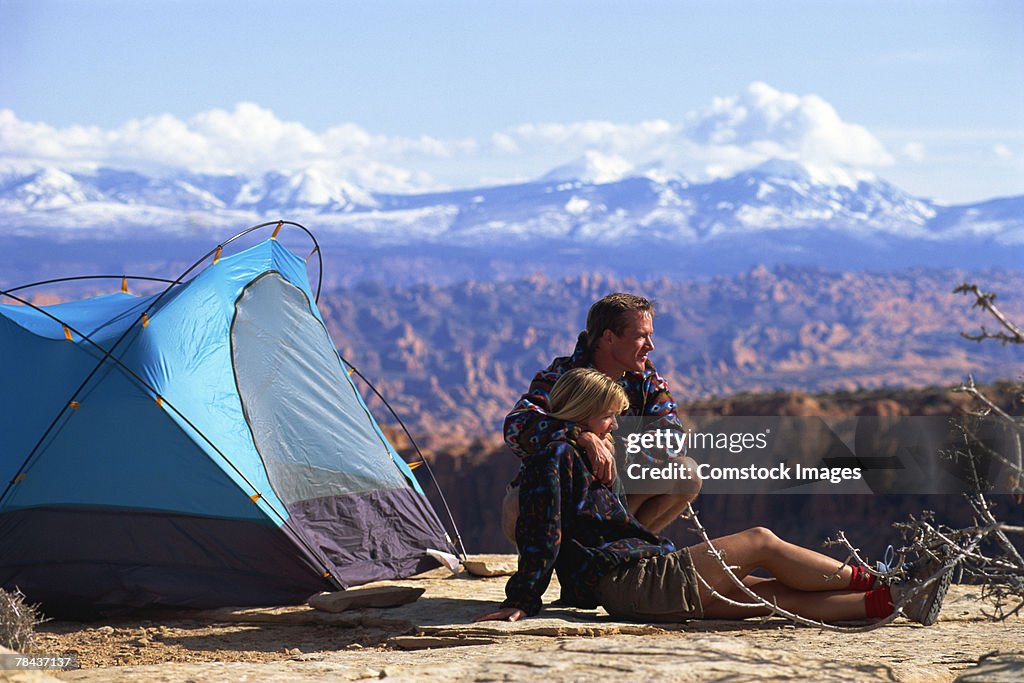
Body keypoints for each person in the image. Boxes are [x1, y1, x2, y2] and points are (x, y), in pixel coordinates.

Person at [477, 368, 954, 625]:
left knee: (767, 598)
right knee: (760, 541)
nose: (616, 426)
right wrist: (523, 598)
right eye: (609, 417)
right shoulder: (554, 458)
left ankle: (891, 601)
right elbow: (542, 532)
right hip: (629, 581)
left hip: (629, 585)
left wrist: (586, 440)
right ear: (583, 413)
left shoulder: (577, 451)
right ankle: (884, 579)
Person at [503, 293, 698, 538]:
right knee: (517, 502)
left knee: (686, 473)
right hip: (565, 490)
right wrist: (581, 437)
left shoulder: (648, 384)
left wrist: (613, 451)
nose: (651, 345)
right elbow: (516, 426)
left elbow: (672, 441)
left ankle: (625, 550)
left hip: (620, 492)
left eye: (650, 335)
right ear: (609, 338)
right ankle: (555, 558)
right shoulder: (561, 376)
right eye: (641, 336)